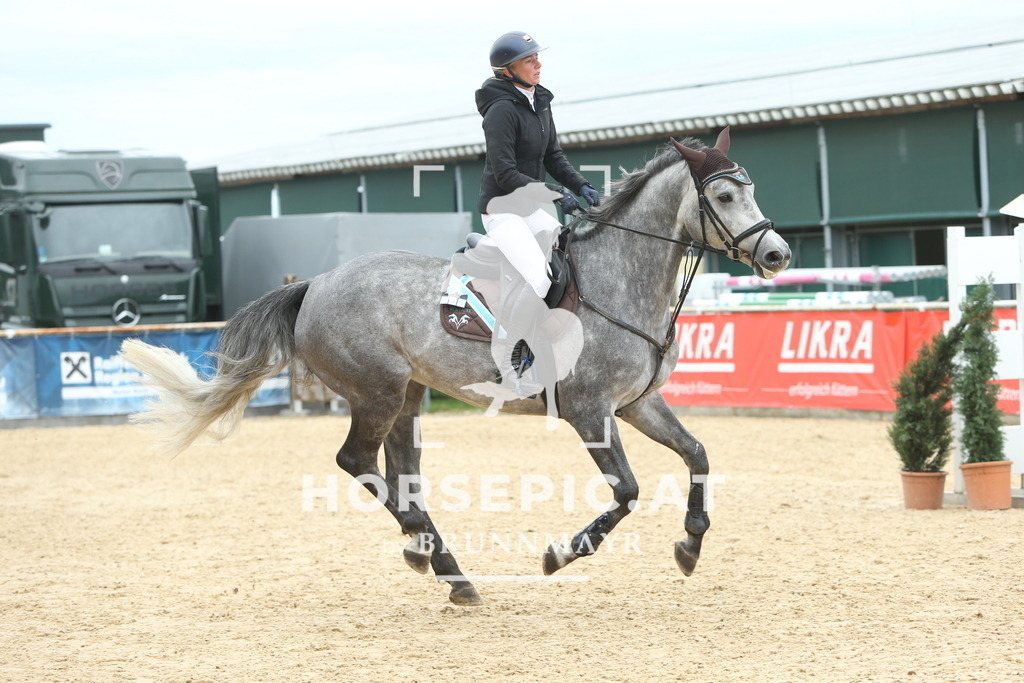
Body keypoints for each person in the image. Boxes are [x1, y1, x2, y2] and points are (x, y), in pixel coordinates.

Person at [475, 30, 601, 301]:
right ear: (508, 71)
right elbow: (506, 174)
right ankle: (511, 330)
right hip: (502, 211)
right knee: (542, 281)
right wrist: (556, 193)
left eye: (536, 58)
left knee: (570, 259)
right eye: (529, 61)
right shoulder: (500, 111)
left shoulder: (540, 102)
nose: (538, 65)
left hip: (529, 210)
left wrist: (580, 186)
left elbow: (552, 156)